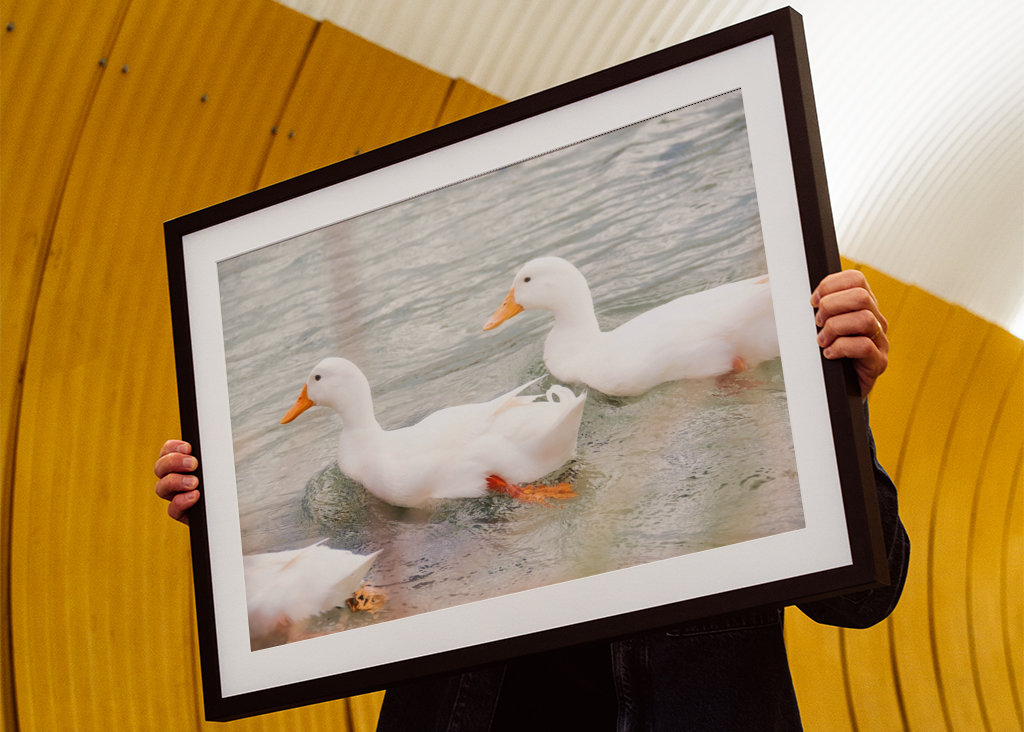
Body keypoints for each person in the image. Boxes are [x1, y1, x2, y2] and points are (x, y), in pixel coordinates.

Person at [155, 269, 909, 731]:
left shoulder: (746, 452)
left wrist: (837, 403)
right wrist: (226, 516)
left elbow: (864, 598)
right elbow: (361, 561)